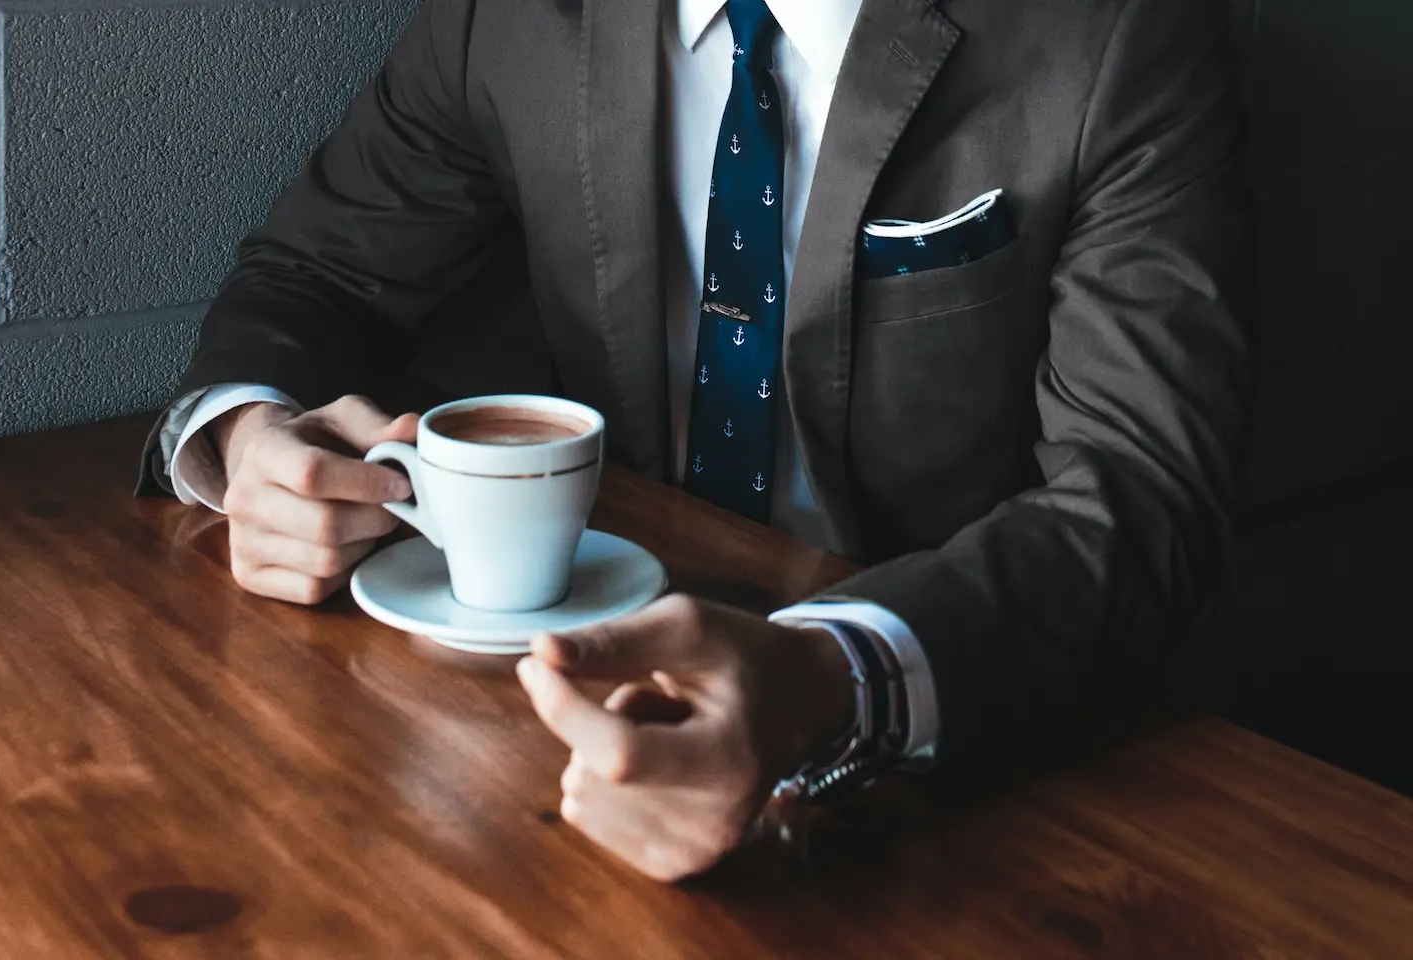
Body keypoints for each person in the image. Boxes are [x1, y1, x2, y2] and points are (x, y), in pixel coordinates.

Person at [139, 0, 1255, 881]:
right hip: (546, 720)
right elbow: (318, 272)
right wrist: (242, 437)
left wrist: (836, 676)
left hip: (962, 769)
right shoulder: (507, 16)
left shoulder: (1118, 36)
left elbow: (1141, 494)